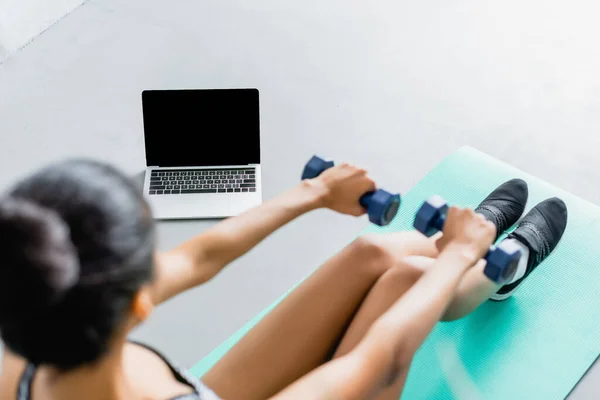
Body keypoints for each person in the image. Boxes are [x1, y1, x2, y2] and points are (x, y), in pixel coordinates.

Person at [0, 159, 567, 400]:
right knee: (407, 281)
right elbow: (381, 358)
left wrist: (314, 193)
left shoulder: (33, 333)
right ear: (138, 305)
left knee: (370, 254)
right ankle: (494, 267)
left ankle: (473, 251)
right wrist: (454, 257)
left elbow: (200, 256)